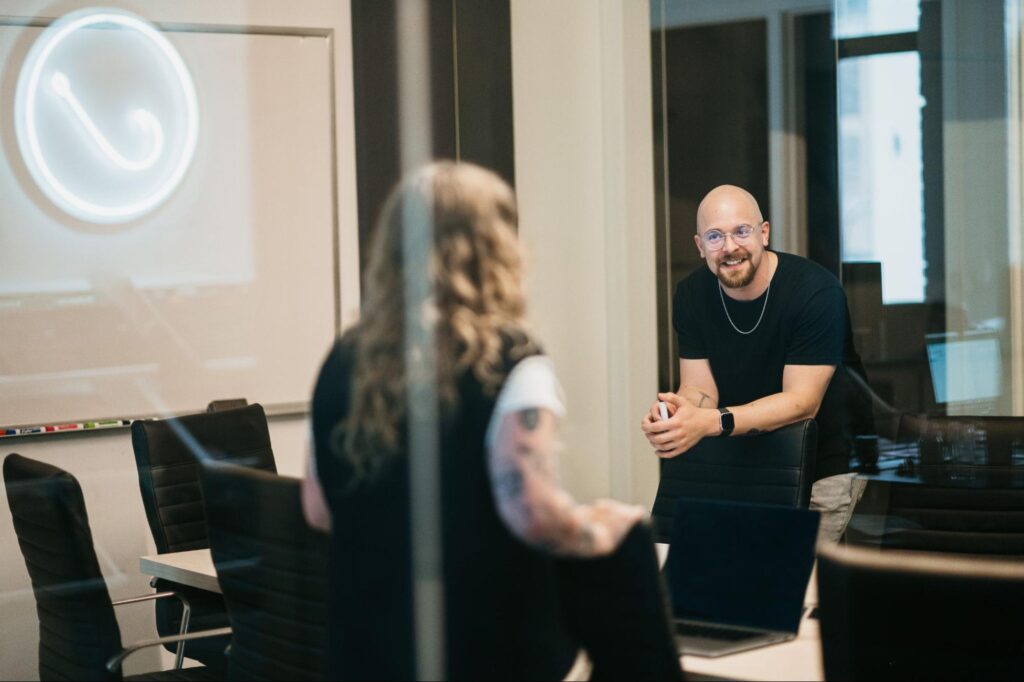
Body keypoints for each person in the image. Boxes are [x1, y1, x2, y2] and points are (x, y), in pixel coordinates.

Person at [301, 161, 645, 680]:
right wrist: (599, 531)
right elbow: (530, 510)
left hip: (368, 651)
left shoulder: (344, 358)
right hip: (484, 650)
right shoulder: (510, 357)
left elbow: (318, 508)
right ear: (495, 248)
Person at [640, 184, 870, 542]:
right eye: (715, 236)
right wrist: (681, 415)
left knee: (790, 583)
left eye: (741, 232)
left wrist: (711, 421)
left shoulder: (815, 293)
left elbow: (802, 403)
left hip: (825, 465)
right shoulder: (691, 295)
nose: (730, 248)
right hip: (749, 454)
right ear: (700, 247)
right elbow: (700, 389)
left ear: (764, 233)